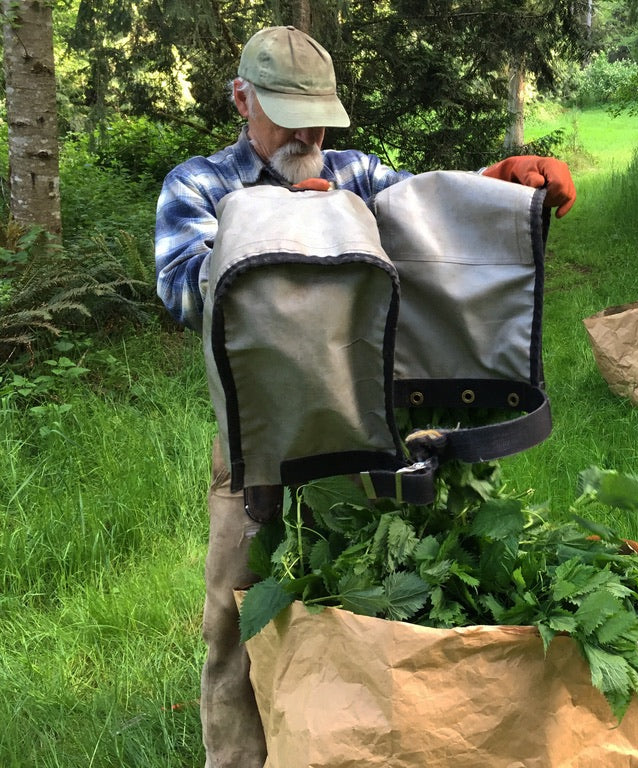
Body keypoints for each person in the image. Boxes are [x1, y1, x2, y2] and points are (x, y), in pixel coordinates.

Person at [154, 25, 576, 768]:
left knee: (362, 586)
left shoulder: (353, 171)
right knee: (233, 607)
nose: (307, 130)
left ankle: (349, 746)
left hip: (360, 418)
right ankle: (239, 756)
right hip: (256, 433)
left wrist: (503, 188)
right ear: (240, 98)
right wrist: (285, 222)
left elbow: (427, 221)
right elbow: (187, 290)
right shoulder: (199, 184)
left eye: (317, 111)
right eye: (285, 111)